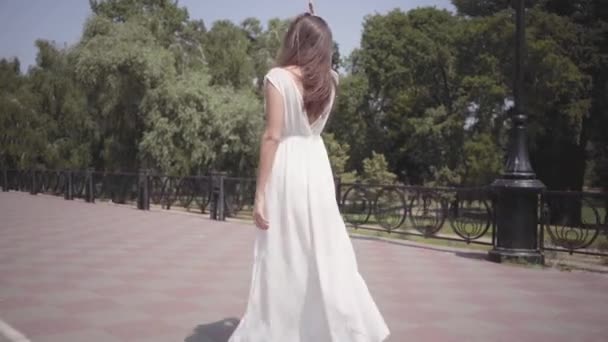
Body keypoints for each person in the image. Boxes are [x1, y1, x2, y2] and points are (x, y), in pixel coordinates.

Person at [228, 6, 390, 342]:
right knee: (326, 251)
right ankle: (342, 328)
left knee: (284, 253)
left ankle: (281, 331)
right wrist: (315, 22)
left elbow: (272, 136)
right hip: (316, 165)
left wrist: (260, 194)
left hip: (287, 166)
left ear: (294, 39)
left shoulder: (277, 78)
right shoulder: (331, 81)